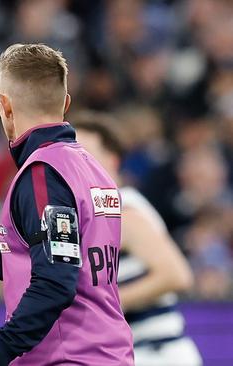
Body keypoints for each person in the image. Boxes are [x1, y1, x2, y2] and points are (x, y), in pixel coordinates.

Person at [0, 44, 134, 365]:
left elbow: (56, 282)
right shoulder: (92, 168)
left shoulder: (42, 174)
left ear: (4, 106)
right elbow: (69, 265)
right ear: (66, 103)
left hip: (68, 357)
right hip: (108, 352)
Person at [74, 112, 203, 366]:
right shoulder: (97, 213)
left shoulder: (124, 209)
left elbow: (177, 274)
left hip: (159, 352)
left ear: (112, 161)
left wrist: (102, 305)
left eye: (85, 154)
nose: (76, 163)